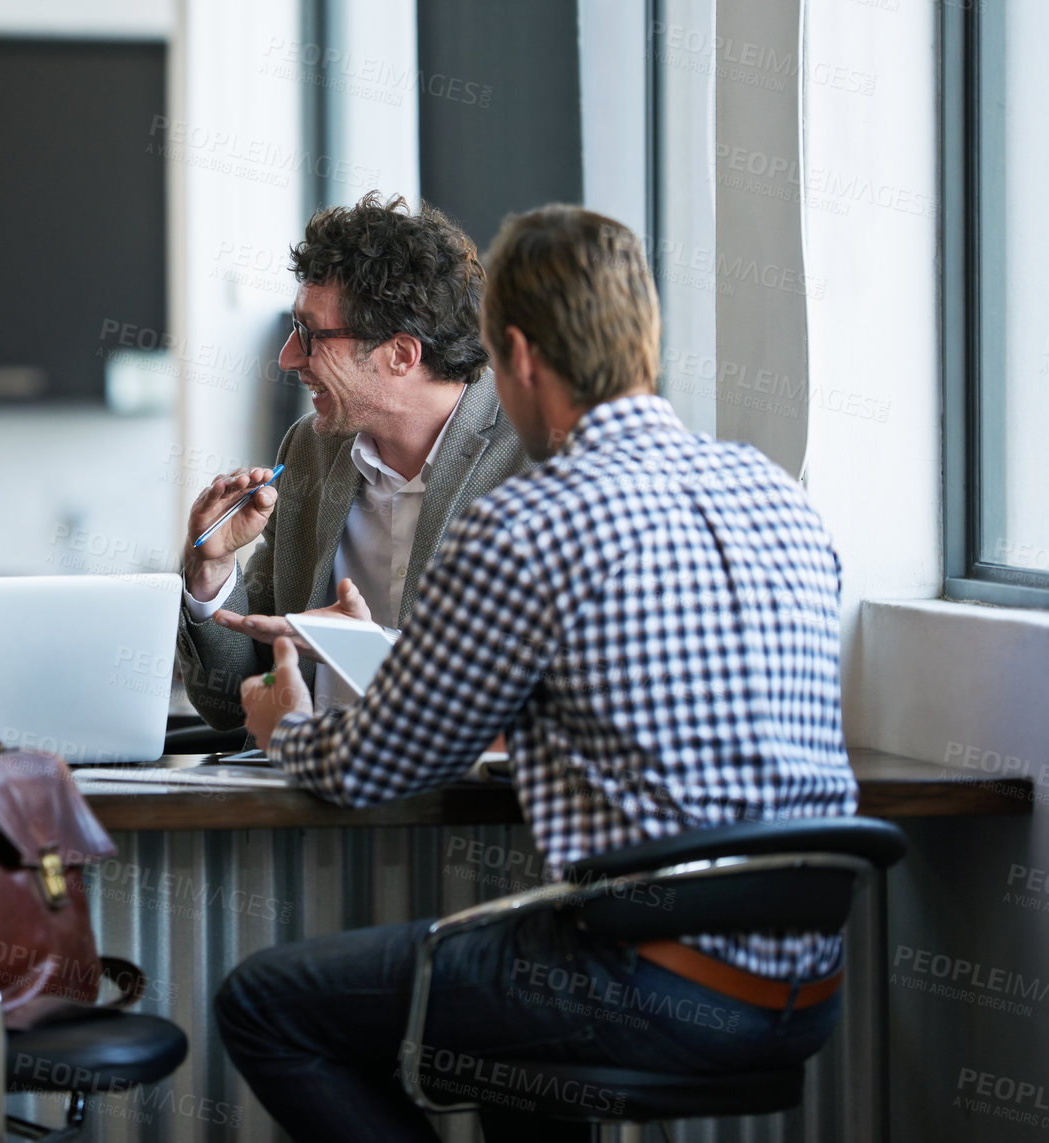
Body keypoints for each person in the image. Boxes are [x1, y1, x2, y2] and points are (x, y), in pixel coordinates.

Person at [217, 205, 859, 1141]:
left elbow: (375, 768)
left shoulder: (529, 523)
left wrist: (288, 729)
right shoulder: (780, 500)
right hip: (806, 980)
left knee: (267, 1003)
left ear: (513, 355)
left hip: (648, 976)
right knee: (510, 1046)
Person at [176, 193, 527, 729]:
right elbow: (232, 705)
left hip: (450, 802)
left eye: (312, 335)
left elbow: (537, 697)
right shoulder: (311, 451)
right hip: (303, 789)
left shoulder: (534, 459)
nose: (288, 357)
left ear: (402, 353)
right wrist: (212, 572)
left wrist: (367, 652)